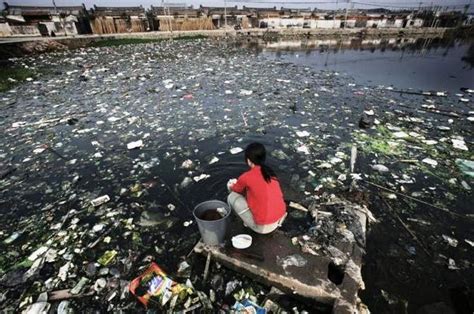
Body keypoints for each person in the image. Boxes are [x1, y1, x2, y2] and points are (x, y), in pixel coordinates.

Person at [227, 142, 287, 234]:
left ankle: (241, 220)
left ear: (248, 160)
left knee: (231, 197)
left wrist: (231, 184)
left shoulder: (246, 177)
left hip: (263, 228)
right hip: (279, 218)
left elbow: (235, 190)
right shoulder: (270, 173)